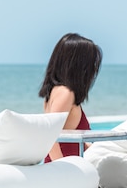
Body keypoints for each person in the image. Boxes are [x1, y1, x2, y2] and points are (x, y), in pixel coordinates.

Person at [39, 33, 103, 163]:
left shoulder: (56, 91)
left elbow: (69, 139)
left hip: (70, 168)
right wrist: (62, 171)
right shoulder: (65, 93)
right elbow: (51, 136)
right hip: (63, 172)